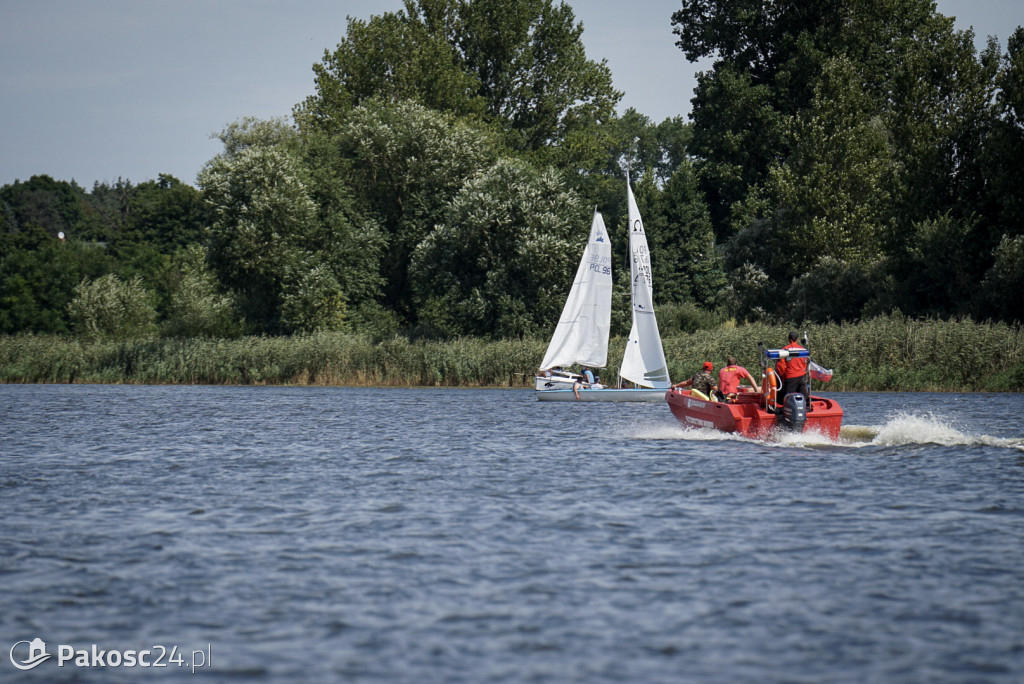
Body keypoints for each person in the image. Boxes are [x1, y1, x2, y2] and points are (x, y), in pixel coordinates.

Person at [776, 331, 809, 404]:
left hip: (791, 377)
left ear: (789, 339)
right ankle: (806, 407)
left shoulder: (785, 350)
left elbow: (781, 366)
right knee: (804, 396)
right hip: (802, 376)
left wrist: (782, 376)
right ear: (797, 339)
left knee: (788, 398)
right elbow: (805, 363)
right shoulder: (803, 350)